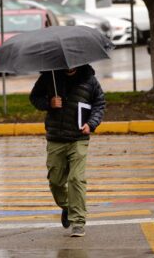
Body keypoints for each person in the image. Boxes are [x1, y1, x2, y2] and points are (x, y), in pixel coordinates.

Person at [29, 64, 105, 237]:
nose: (70, 66)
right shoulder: (50, 77)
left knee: (76, 179)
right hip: (56, 138)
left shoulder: (89, 79)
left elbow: (99, 103)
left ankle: (78, 222)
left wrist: (91, 123)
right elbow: (34, 97)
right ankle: (69, 207)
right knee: (55, 182)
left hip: (79, 138)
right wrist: (49, 103)